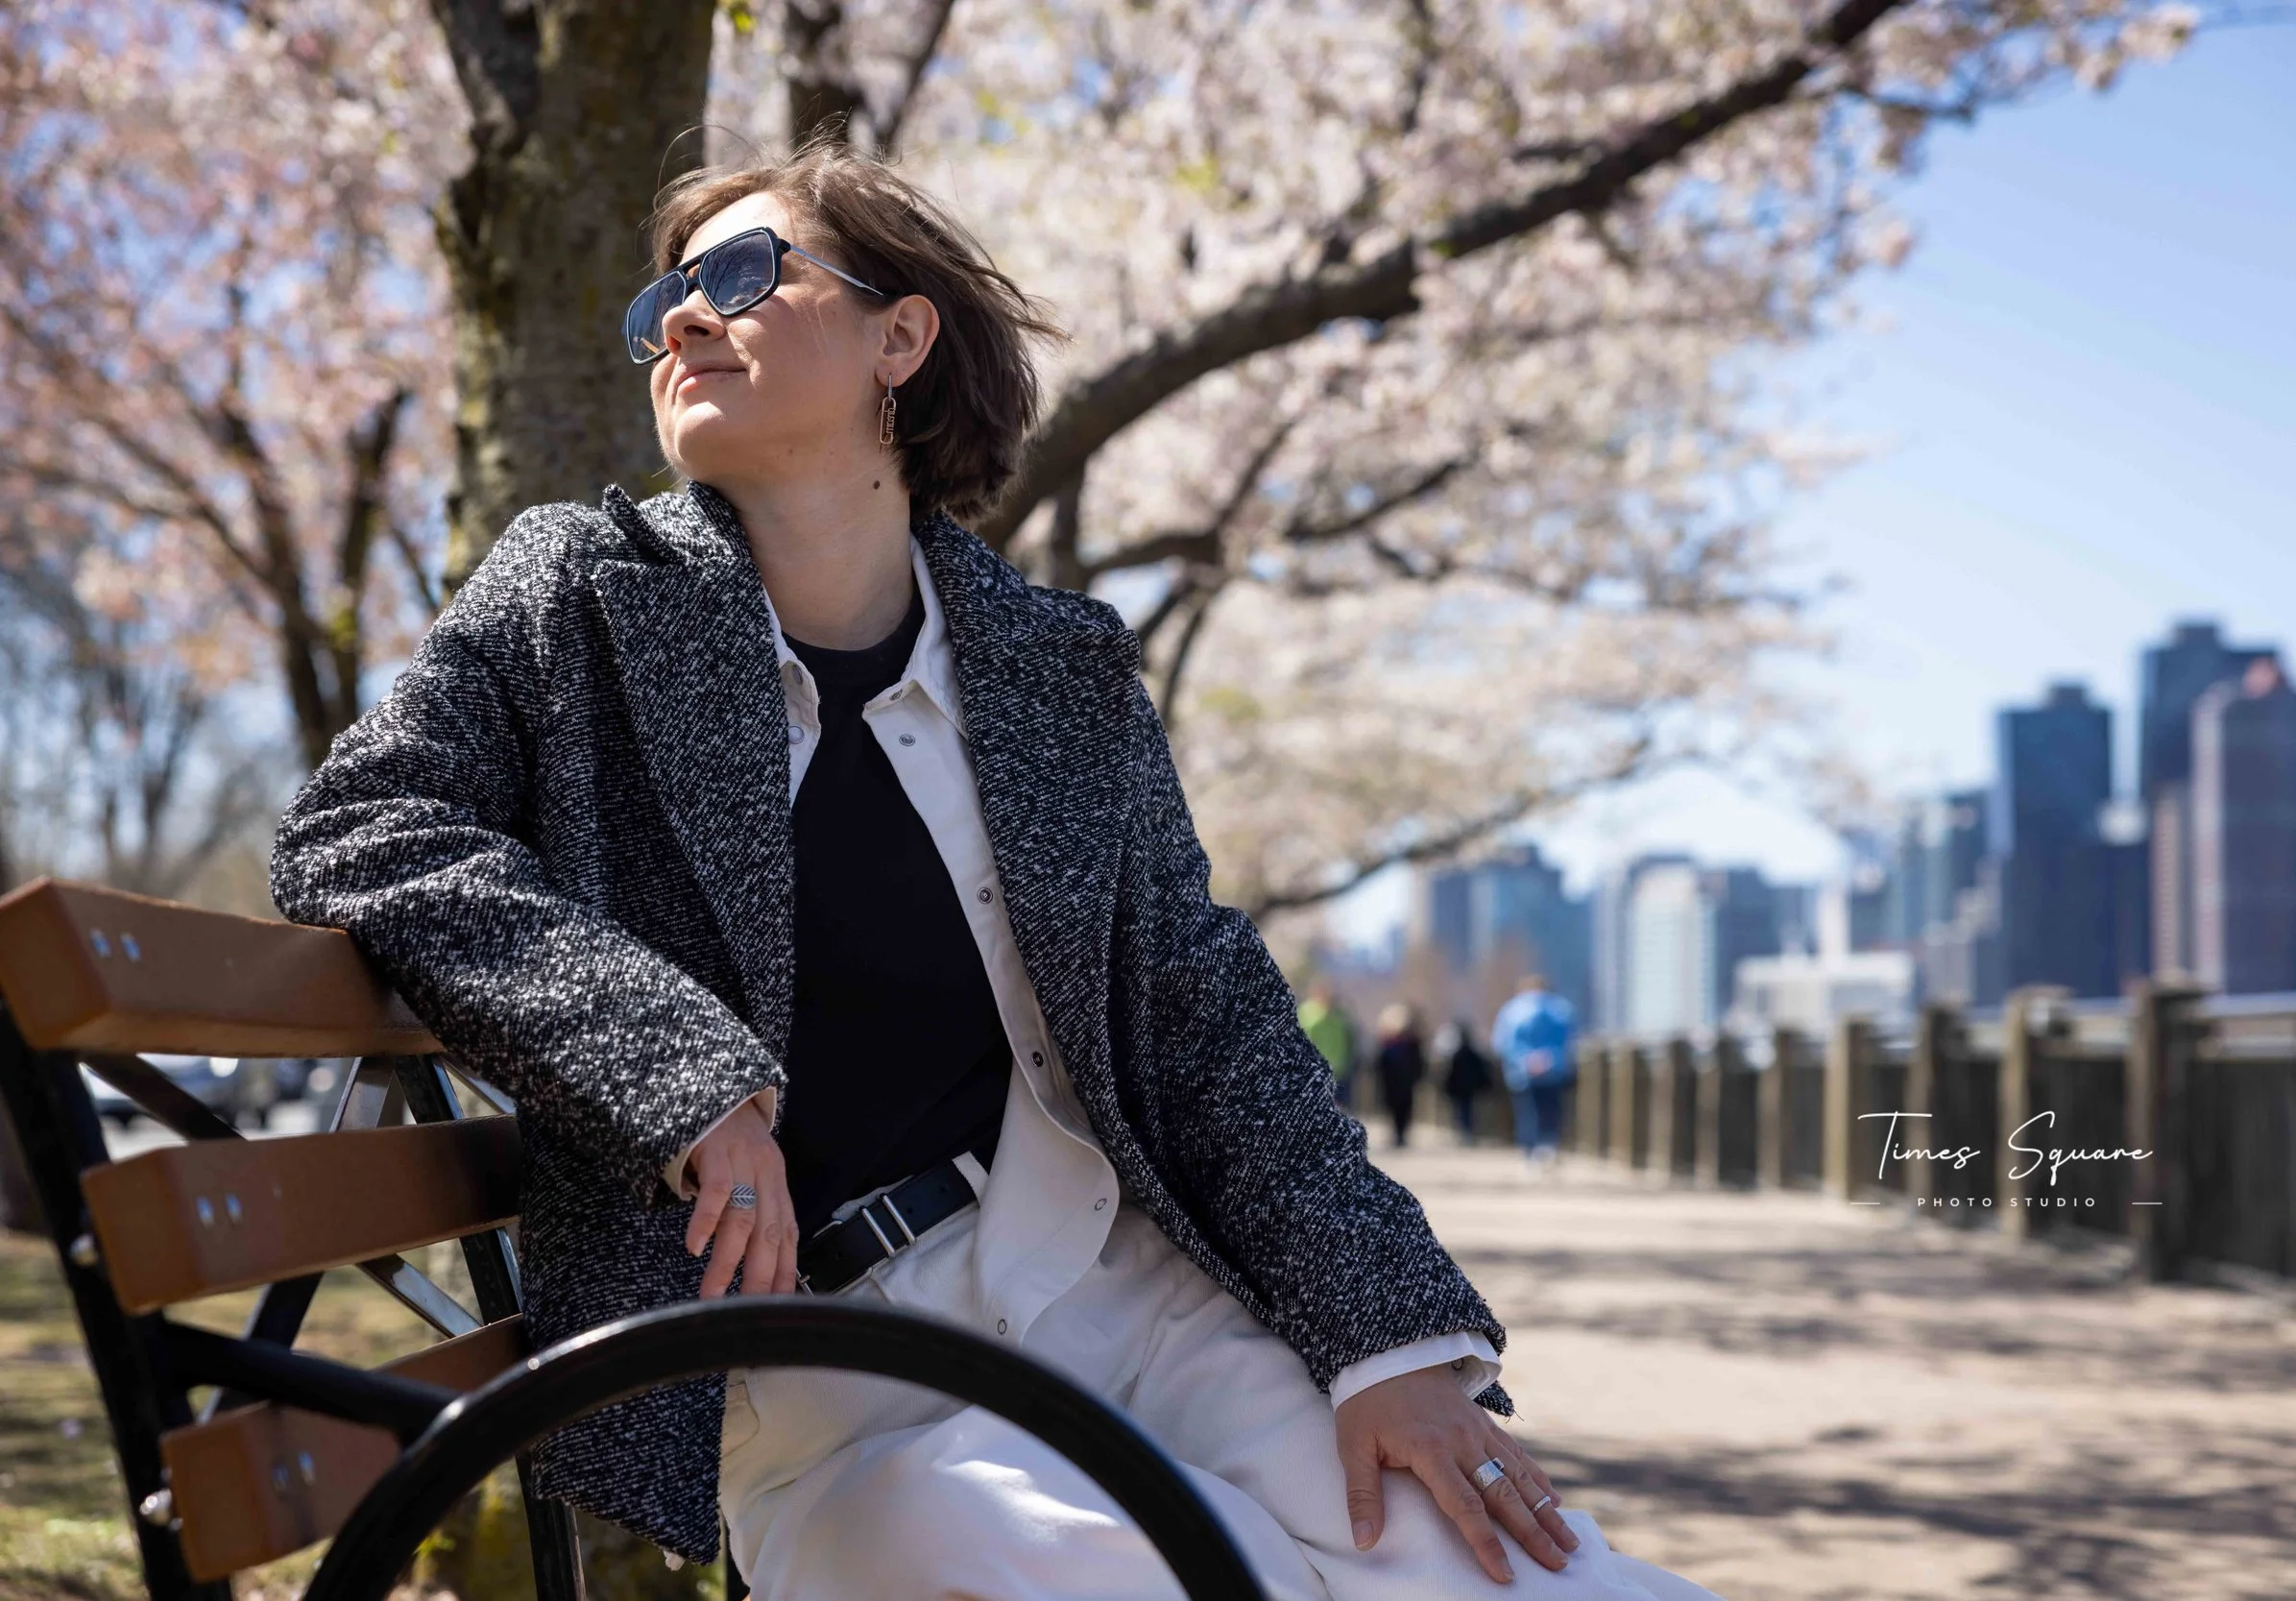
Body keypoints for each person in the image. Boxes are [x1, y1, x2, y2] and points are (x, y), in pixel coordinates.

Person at [270, 132, 1719, 1601]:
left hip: (1120, 1290)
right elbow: (360, 827)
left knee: (1495, 1563)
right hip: (817, 1384)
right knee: (1102, 1570)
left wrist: (1385, 1339)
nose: (683, 321)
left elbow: (1205, 1018)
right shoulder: (575, 596)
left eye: (743, 275)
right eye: (663, 307)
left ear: (902, 334)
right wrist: (681, 1070)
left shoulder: (1057, 667)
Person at [1492, 976, 1578, 1169]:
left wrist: (1526, 1060)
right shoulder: (1561, 1009)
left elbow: (1502, 1043)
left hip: (1522, 1074)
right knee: (1552, 1112)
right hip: (1554, 1071)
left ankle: (1530, 1153)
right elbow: (1570, 1041)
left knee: (1527, 1113)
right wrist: (1550, 1060)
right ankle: (1548, 1148)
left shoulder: (1512, 1010)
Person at [1296, 982, 1361, 1111]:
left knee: (1341, 1108)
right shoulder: (1305, 1013)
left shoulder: (1341, 1014)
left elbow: (1350, 1038)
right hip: (1314, 1069)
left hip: (1340, 1069)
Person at [1372, 1003, 1427, 1150]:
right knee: (1393, 1107)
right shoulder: (1388, 1043)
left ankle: (1401, 1134)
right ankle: (1396, 1134)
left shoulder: (1413, 1043)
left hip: (1405, 1081)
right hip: (1391, 1081)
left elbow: (1419, 1062)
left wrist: (1418, 1076)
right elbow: (1380, 1063)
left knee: (1405, 1108)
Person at [1436, 1020, 1497, 1146]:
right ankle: (1467, 1133)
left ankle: (1463, 1133)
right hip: (1468, 1087)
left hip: (1460, 1088)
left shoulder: (1457, 1054)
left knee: (1460, 1111)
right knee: (1467, 1110)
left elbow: (1449, 1073)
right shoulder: (1472, 1053)